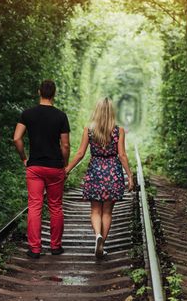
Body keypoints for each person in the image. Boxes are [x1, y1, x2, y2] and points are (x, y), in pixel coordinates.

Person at [65, 97, 134, 258]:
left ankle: (97, 235)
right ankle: (102, 243)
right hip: (113, 172)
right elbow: (122, 155)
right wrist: (129, 176)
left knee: (95, 210)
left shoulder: (89, 130)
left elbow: (80, 153)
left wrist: (67, 168)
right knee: (108, 212)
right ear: (111, 112)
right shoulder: (118, 130)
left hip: (95, 171)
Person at [13, 80, 70, 258]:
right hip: (54, 167)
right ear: (54, 94)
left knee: (35, 206)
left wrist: (24, 158)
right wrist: (65, 164)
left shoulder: (27, 114)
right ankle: (55, 247)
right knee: (55, 206)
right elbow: (66, 145)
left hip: (35, 167)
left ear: (39, 92)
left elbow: (17, 138)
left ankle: (35, 249)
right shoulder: (61, 116)